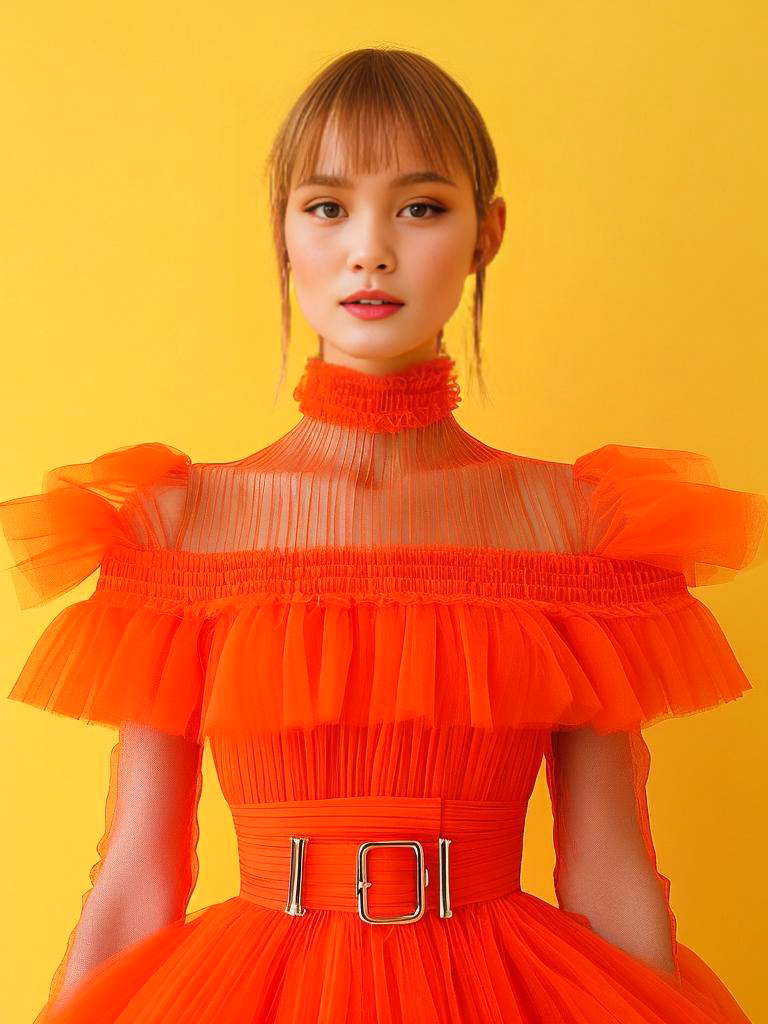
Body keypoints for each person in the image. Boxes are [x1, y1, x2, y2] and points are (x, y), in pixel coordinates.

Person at [1, 46, 766, 1024]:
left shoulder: (578, 527)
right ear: (281, 233)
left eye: (420, 206)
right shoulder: (177, 523)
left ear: (487, 233)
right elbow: (135, 882)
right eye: (326, 205)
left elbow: (613, 873)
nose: (370, 248)